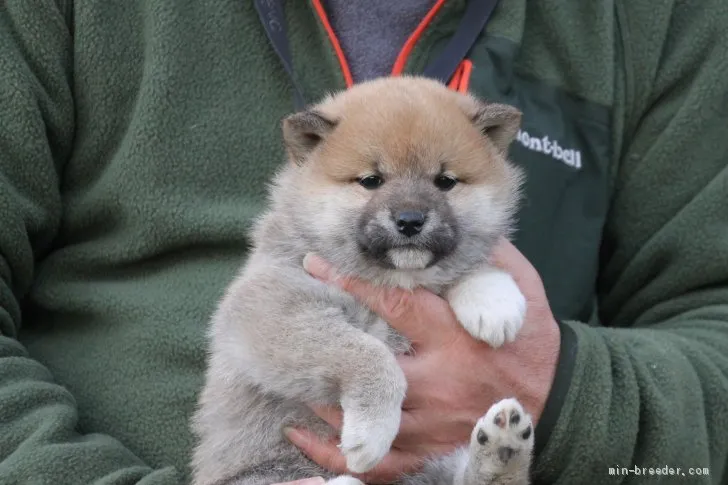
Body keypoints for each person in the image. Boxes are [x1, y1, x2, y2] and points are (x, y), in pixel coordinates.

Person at [0, 1, 726, 484]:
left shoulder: (660, 19)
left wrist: (565, 392)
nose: (409, 211)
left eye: (444, 182)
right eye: (370, 180)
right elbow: (264, 321)